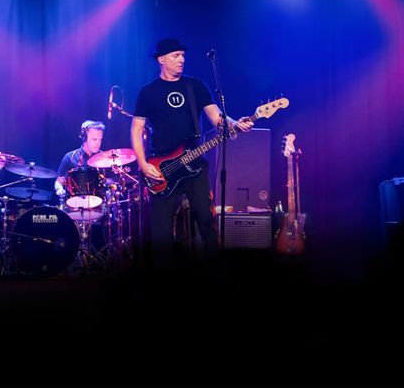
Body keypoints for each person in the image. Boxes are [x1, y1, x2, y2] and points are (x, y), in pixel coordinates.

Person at [131, 38, 254, 267]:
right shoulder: (148, 92)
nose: (182, 60)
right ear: (161, 60)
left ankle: (215, 271)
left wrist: (235, 123)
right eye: (176, 56)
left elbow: (217, 118)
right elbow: (136, 130)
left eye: (183, 56)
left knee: (207, 221)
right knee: (161, 232)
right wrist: (143, 163)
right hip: (161, 168)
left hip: (195, 164)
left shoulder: (195, 86)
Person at [54, 120, 106, 201]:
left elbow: (110, 182)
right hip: (74, 205)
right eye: (94, 139)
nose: (98, 143)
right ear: (84, 138)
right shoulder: (70, 157)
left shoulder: (105, 157)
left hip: (99, 204)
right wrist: (59, 190)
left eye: (100, 139)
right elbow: (58, 181)